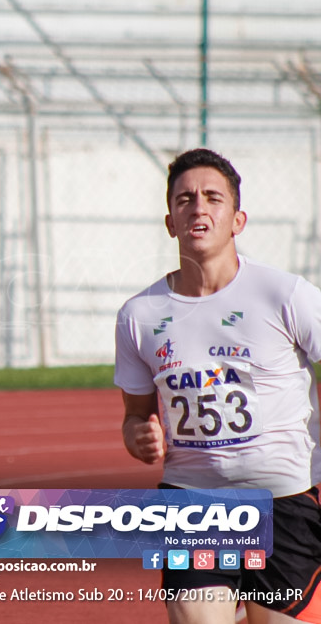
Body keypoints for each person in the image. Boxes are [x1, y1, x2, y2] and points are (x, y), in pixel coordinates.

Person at [114, 148, 321, 624]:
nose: (198, 208)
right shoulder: (139, 316)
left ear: (237, 219)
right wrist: (138, 436)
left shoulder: (285, 294)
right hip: (192, 500)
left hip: (284, 498)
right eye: (185, 199)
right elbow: (134, 415)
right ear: (170, 221)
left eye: (213, 198)